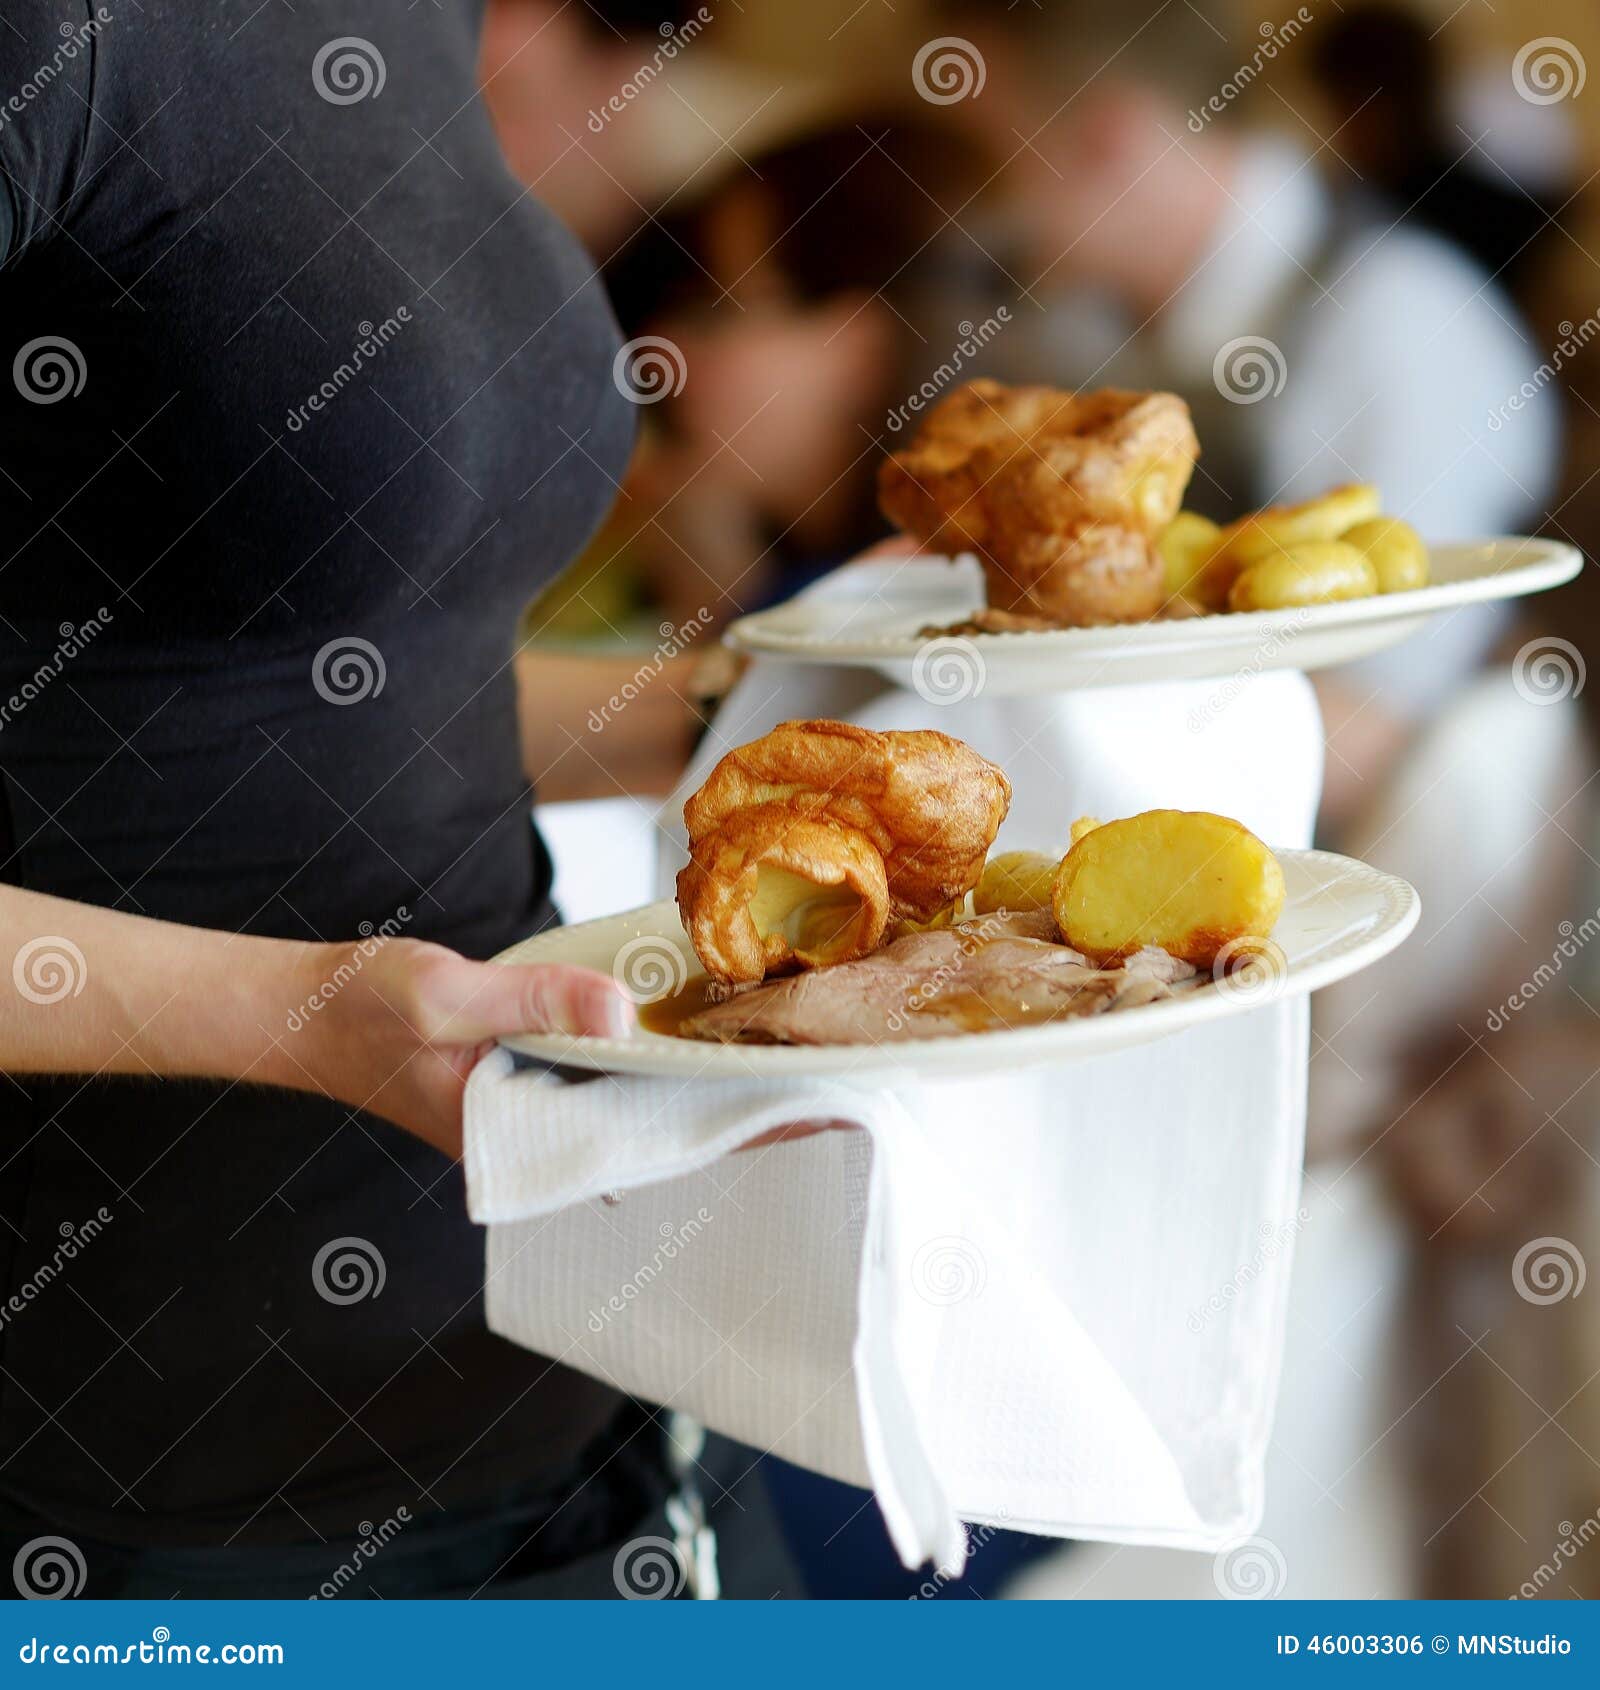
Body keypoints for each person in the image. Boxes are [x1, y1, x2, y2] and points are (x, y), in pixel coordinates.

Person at [0, 3, 795, 1598]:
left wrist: (762, 703)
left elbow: (369, 672)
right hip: (149, 1465)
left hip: (570, 1344)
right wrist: (298, 1015)